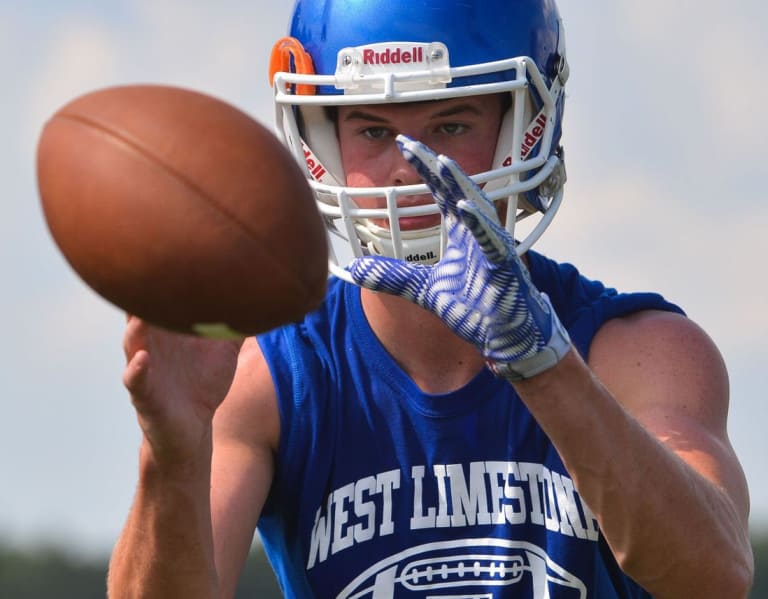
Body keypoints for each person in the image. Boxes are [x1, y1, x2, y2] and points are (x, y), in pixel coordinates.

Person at [107, 0, 754, 597]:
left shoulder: (638, 352)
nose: (408, 166)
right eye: (371, 130)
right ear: (322, 141)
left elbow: (713, 576)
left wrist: (546, 366)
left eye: (450, 122)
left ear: (525, 128)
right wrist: (174, 452)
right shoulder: (272, 376)